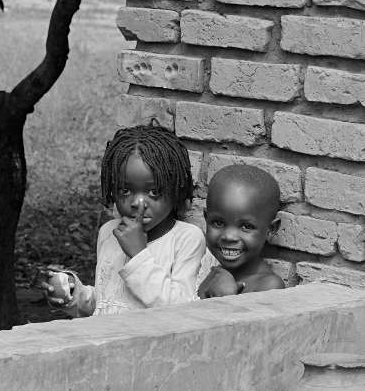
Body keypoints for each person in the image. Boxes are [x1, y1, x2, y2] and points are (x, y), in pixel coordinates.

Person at [42, 124, 205, 316]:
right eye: (125, 190)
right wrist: (73, 293)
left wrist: (139, 255)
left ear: (176, 189)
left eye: (154, 191)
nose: (138, 202)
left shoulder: (185, 239)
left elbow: (181, 309)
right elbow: (106, 302)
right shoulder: (109, 232)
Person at [197, 164, 285, 299]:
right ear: (206, 218)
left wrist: (224, 299)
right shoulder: (213, 273)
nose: (229, 236)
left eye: (246, 226)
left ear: (271, 229)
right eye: (218, 223)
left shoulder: (268, 286)